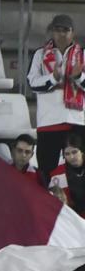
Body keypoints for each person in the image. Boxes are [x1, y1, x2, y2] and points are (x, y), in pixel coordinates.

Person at [28, 15, 85, 178]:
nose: (61, 34)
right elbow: (32, 83)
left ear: (73, 33)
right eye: (57, 30)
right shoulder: (40, 54)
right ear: (52, 32)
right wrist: (53, 78)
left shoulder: (83, 55)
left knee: (78, 172)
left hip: (77, 121)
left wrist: (79, 76)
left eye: (66, 30)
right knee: (48, 171)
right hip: (49, 121)